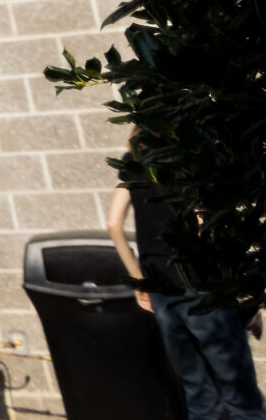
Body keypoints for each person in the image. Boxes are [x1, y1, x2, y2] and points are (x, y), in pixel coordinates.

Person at [107, 135, 265, 420]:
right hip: (203, 289)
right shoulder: (189, 158)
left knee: (199, 397)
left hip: (163, 292)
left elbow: (113, 223)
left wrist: (140, 282)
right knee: (242, 400)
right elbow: (206, 229)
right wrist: (240, 288)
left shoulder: (134, 160)